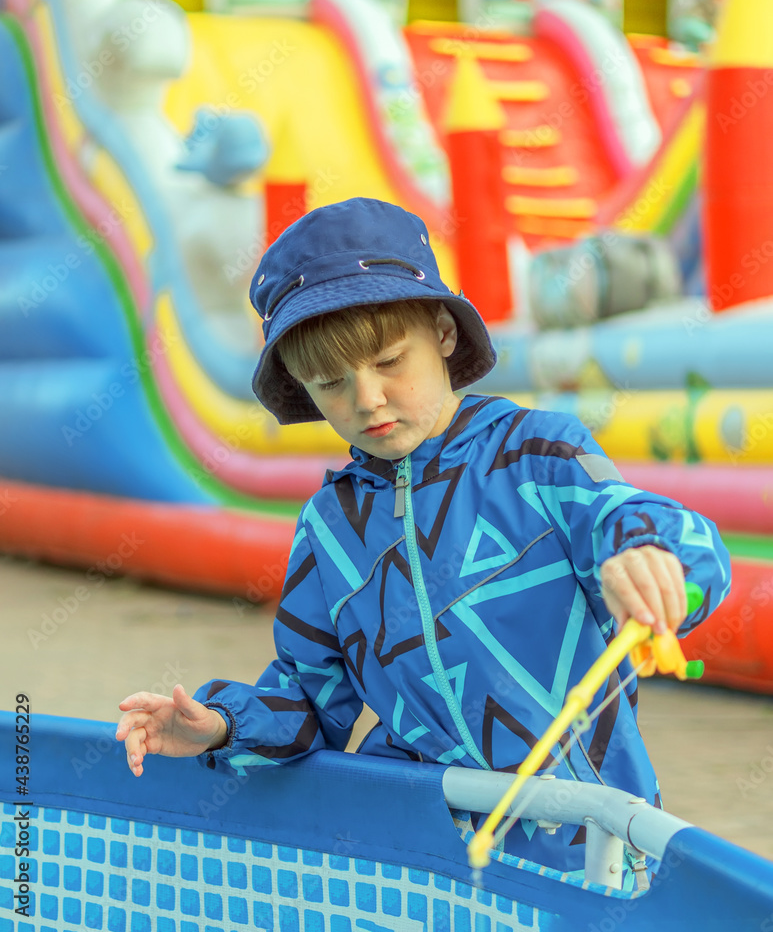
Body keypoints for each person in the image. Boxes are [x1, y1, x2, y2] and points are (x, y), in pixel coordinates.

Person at [116, 197, 730, 875]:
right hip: (417, 856)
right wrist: (223, 723)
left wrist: (652, 554)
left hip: (587, 845)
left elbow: (646, 522)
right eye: (329, 382)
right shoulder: (330, 523)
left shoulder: (536, 455)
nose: (366, 399)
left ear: (441, 332)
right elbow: (309, 697)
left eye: (387, 361)